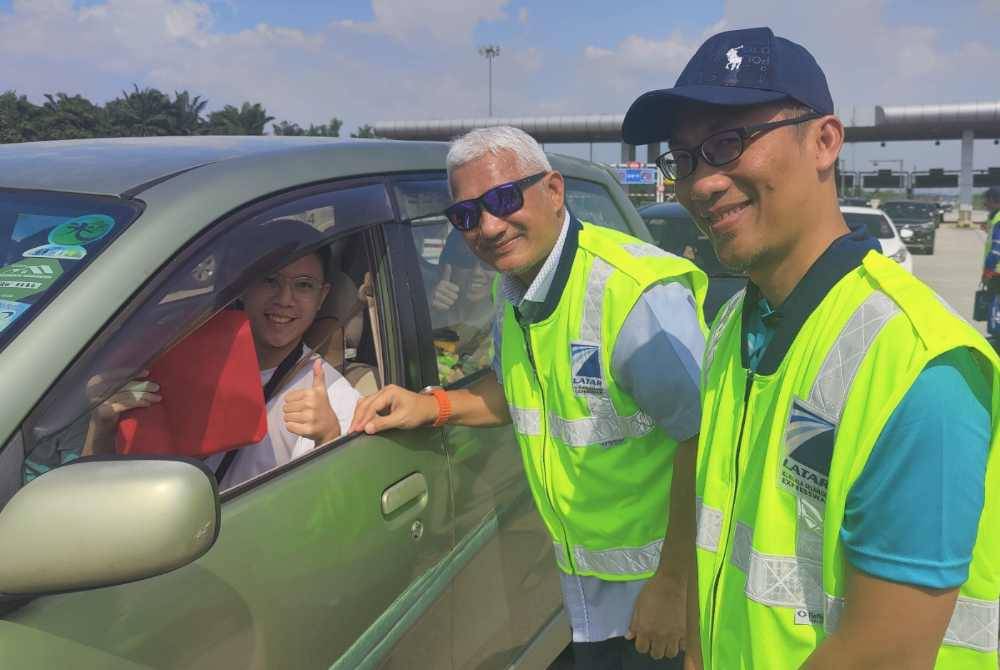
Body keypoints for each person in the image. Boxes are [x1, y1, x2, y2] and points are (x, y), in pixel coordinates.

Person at [623, 26, 1000, 670]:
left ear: (825, 141)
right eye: (683, 159)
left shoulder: (918, 366)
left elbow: (883, 654)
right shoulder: (734, 324)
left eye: (728, 142)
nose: (701, 183)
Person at [352, 126, 708, 668]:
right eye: (468, 215)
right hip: (589, 586)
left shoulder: (634, 294)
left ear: (555, 190)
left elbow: (706, 438)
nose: (489, 226)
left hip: (656, 592)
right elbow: (521, 388)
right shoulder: (518, 286)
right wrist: (432, 406)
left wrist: (677, 586)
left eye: (502, 199)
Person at [86, 248, 360, 489]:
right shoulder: (173, 362)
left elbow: (339, 514)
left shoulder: (334, 398)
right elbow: (97, 490)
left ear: (322, 296)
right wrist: (103, 424)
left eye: (303, 285)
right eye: (269, 280)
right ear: (244, 286)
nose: (285, 299)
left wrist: (329, 438)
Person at [981, 187, 1000, 341]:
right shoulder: (995, 218)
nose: (984, 203)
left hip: (997, 273)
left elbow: (996, 250)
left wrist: (988, 270)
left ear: (995, 201)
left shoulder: (999, 220)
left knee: (995, 304)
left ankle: (997, 336)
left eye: (987, 200)